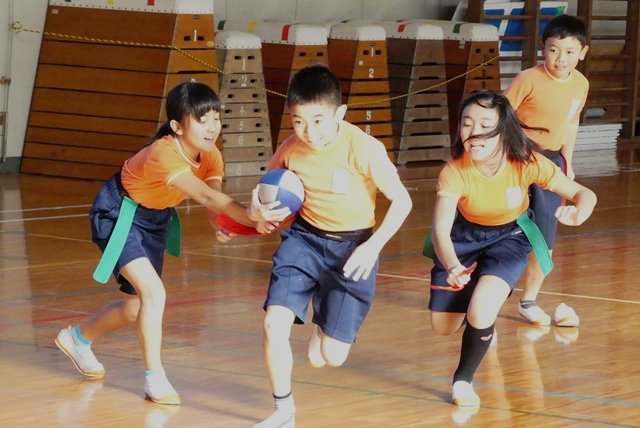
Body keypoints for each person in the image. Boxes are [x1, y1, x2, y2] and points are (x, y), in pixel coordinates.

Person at [55, 80, 290, 405]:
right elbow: (208, 195)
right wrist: (252, 217)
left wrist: (225, 223)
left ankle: (78, 339)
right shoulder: (164, 153)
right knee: (154, 294)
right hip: (120, 213)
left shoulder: (211, 156)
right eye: (202, 119)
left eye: (216, 118)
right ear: (178, 126)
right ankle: (154, 379)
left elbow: (210, 201)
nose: (212, 127)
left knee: (138, 307)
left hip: (155, 220)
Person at [254, 64, 412, 427]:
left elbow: (403, 202)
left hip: (354, 249)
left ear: (340, 113)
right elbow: (266, 188)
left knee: (330, 356)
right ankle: (283, 411)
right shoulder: (291, 149)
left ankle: (324, 325)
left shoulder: (364, 148)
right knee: (272, 324)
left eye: (319, 121)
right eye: (298, 122)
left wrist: (372, 247)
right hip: (305, 241)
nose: (309, 132)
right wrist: (256, 210)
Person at [427, 90, 596, 407]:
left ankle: (463, 381)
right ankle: (482, 304)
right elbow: (439, 230)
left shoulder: (527, 162)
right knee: (443, 327)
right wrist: (451, 265)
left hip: (510, 237)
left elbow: (583, 193)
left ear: (503, 131)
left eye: (485, 124)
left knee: (480, 309)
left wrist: (580, 211)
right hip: (462, 240)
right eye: (466, 123)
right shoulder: (454, 171)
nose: (473, 133)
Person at [503, 14, 589, 327]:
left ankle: (528, 301)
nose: (561, 58)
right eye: (554, 50)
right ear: (543, 48)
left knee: (545, 237)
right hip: (518, 160)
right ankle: (487, 290)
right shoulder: (527, 78)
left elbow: (571, 121)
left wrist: (568, 160)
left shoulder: (581, 83)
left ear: (582, 52)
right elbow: (501, 116)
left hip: (552, 165)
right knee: (502, 228)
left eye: (569, 51)